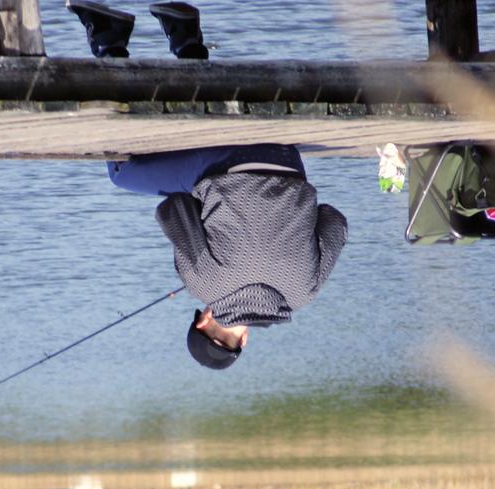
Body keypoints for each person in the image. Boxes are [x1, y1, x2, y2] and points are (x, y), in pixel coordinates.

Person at [107, 144, 348, 369]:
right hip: (230, 160)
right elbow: (176, 207)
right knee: (121, 174)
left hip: (289, 162)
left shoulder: (305, 294)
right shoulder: (202, 285)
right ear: (203, 321)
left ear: (243, 339)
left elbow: (335, 221)